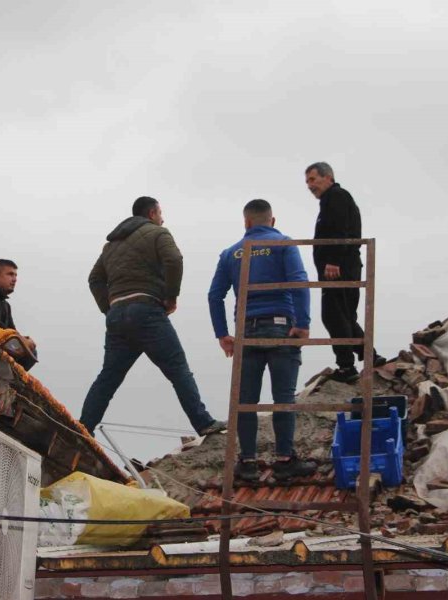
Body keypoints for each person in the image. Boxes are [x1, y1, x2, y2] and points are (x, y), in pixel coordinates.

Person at [80, 196, 226, 437]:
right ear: (151, 214)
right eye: (160, 213)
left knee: (108, 378)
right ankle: (203, 423)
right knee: (178, 368)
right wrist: (171, 297)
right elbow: (174, 259)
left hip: (117, 317)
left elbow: (94, 279)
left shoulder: (111, 246)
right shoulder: (158, 233)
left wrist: (110, 307)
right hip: (147, 310)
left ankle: (83, 429)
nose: (163, 218)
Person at [208, 199, 317, 481]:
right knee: (283, 397)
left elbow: (214, 296)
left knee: (246, 400)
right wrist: (303, 325)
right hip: (281, 327)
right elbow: (300, 282)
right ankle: (284, 460)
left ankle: (247, 463)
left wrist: (223, 335)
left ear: (246, 223)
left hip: (246, 332)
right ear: (272, 220)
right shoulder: (284, 244)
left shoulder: (231, 253)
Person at [305, 162, 385, 383]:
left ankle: (347, 367)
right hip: (345, 265)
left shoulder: (336, 196)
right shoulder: (332, 199)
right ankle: (370, 355)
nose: (309, 186)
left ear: (328, 177)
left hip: (339, 267)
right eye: (307, 182)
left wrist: (332, 260)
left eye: (313, 179)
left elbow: (341, 229)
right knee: (345, 315)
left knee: (333, 315)